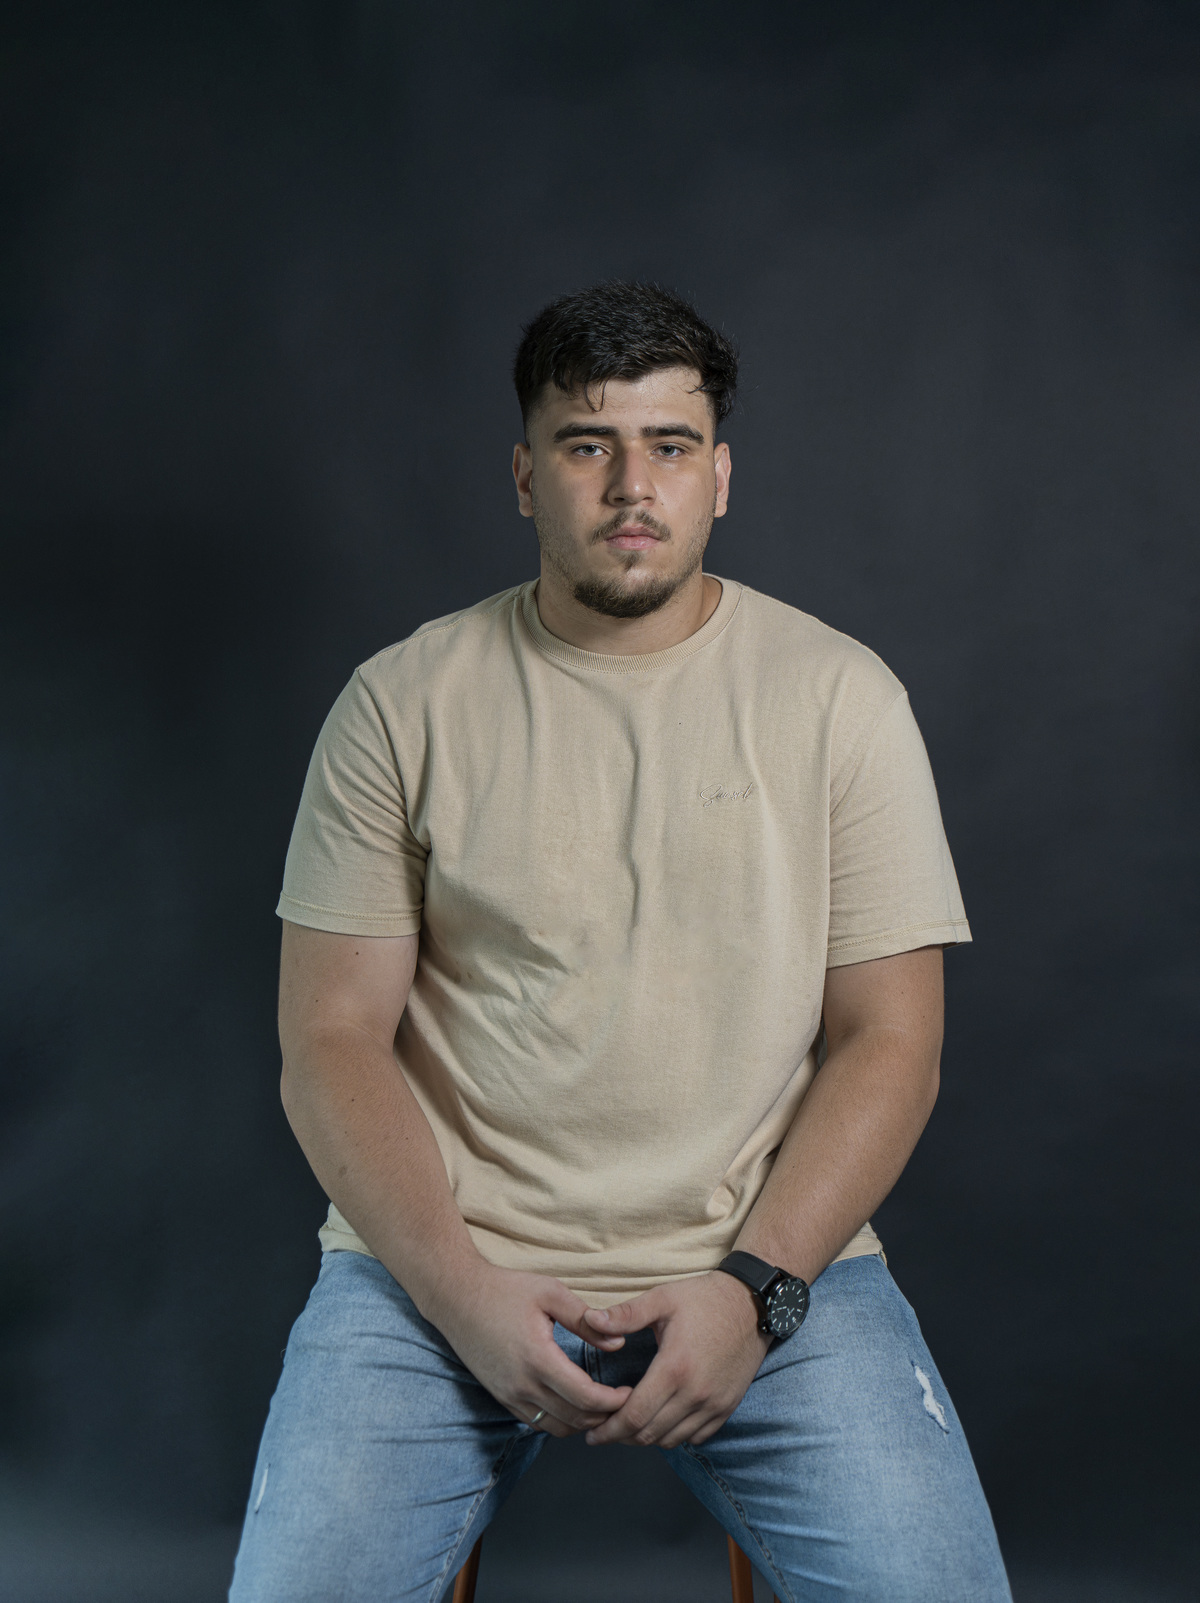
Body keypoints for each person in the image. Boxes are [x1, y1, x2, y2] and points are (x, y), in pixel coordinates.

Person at [228, 281, 1012, 1602]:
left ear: (721, 476)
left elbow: (893, 1042)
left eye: (670, 445)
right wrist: (462, 1294)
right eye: (588, 444)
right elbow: (330, 1038)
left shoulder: (842, 699)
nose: (631, 485)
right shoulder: (400, 702)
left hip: (765, 1266)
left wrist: (755, 1292)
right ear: (525, 475)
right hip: (436, 1274)